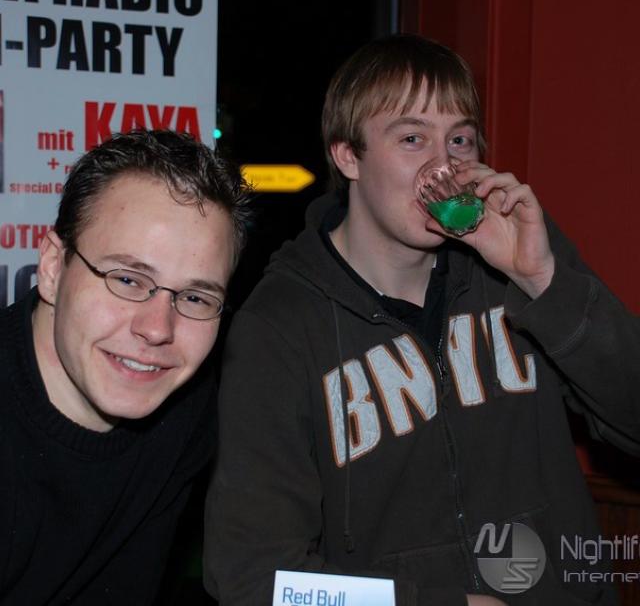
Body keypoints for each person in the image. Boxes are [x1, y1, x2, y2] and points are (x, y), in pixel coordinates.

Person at [204, 34, 639, 606]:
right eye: (412, 138)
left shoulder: (518, 265)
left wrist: (543, 282)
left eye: (459, 139)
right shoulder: (280, 326)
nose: (443, 164)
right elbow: (252, 576)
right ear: (348, 156)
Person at [0, 129, 252, 605]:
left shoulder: (185, 404)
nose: (158, 329)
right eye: (128, 279)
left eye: (195, 297)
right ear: (53, 268)